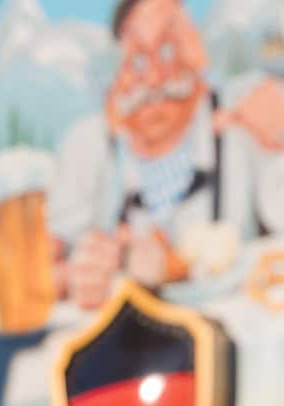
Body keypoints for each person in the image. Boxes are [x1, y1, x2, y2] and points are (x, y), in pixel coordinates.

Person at [51, 0, 284, 309]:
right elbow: (41, 268)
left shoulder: (242, 116)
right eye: (138, 58)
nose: (155, 77)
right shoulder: (89, 147)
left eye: (168, 49)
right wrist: (73, 277)